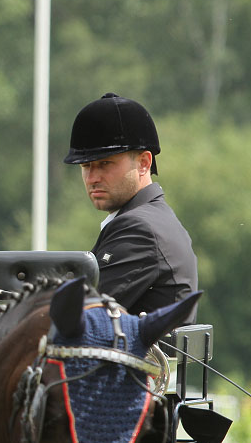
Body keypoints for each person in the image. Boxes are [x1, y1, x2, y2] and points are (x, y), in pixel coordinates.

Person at [63, 93, 198, 323]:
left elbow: (74, 318)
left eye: (105, 163)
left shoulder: (139, 228)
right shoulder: (152, 218)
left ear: (144, 163)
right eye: (86, 166)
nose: (92, 177)